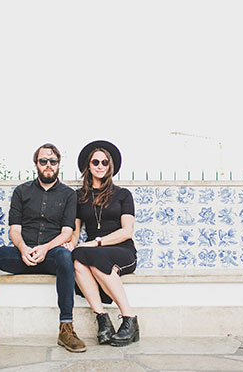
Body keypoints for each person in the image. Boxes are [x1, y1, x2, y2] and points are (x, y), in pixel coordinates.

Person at [0, 143, 86, 354]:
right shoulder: (22, 191)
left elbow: (67, 232)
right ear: (36, 163)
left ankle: (66, 328)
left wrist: (45, 248)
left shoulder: (69, 194)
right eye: (43, 161)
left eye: (53, 161)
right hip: (23, 254)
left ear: (59, 164)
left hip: (51, 255)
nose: (48, 165)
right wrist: (23, 249)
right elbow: (14, 230)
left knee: (65, 256)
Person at [64, 140, 139, 347]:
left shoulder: (123, 195)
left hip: (121, 249)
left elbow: (127, 231)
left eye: (105, 162)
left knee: (93, 258)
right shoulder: (79, 196)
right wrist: (71, 244)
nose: (100, 166)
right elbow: (75, 230)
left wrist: (96, 243)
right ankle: (103, 320)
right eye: (95, 162)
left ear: (110, 166)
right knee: (77, 259)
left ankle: (130, 318)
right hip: (94, 252)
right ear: (88, 166)